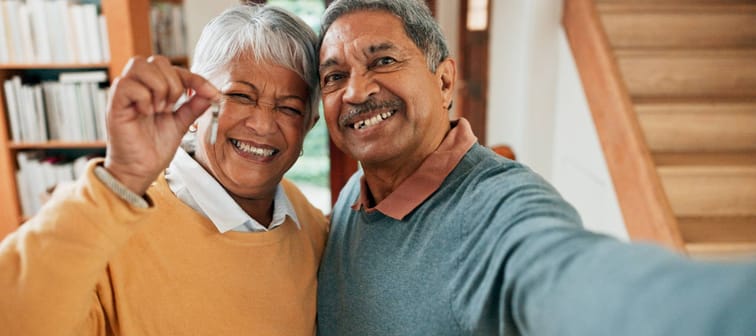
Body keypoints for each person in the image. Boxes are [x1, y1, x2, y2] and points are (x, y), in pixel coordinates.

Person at [315, 0, 756, 335]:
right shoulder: (356, 194)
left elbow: (570, 277)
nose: (355, 91)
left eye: (383, 61)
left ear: (445, 80)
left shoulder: (499, 208)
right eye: (334, 76)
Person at [0, 4, 328, 335]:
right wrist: (121, 178)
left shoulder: (310, 225)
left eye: (289, 108)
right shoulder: (107, 225)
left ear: (309, 126)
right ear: (194, 98)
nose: (261, 124)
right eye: (240, 96)